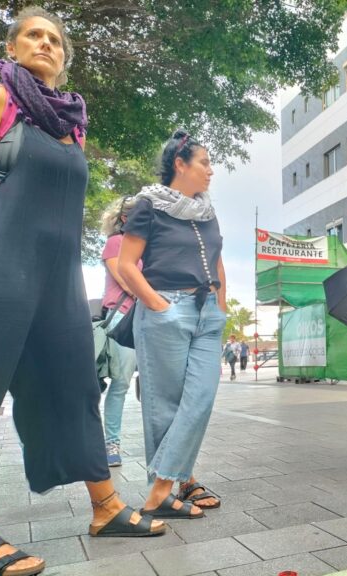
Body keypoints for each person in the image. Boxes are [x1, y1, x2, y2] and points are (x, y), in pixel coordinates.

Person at [0, 7, 165, 575]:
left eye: (54, 38)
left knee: (74, 384)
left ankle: (106, 506)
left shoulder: (71, 122)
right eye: (32, 35)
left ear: (64, 55)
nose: (44, 43)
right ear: (13, 46)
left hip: (56, 276)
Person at [119, 129, 226, 520]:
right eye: (204, 163)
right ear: (180, 164)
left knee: (201, 397)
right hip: (168, 307)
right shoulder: (148, 206)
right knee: (165, 404)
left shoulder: (207, 212)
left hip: (207, 311)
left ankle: (160, 491)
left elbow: (217, 262)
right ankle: (164, 492)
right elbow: (125, 265)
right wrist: (158, 305)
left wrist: (221, 308)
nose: (211, 170)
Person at [99, 196, 140, 466]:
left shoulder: (145, 247)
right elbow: (126, 282)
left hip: (145, 316)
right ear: (125, 218)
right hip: (122, 317)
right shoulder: (116, 242)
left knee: (137, 383)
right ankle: (110, 443)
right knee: (120, 383)